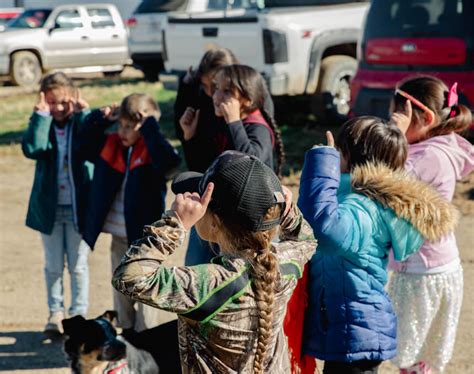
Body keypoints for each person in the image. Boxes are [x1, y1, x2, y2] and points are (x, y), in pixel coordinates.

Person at [112, 150, 316, 373]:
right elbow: (306, 240)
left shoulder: (211, 283)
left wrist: (175, 224)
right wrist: (286, 210)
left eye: (202, 203)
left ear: (215, 222)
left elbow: (129, 277)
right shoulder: (284, 262)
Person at [298, 117, 458, 374]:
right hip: (353, 329)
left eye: (338, 151)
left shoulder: (363, 209)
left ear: (348, 156)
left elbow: (323, 229)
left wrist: (321, 163)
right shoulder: (354, 201)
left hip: (356, 332)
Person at [388, 76, 474, 374]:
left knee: (414, 357)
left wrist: (393, 138)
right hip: (436, 265)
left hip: (421, 272)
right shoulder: (441, 146)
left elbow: (386, 185)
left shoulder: (428, 156)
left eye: (399, 117)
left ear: (424, 117)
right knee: (421, 356)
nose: (393, 123)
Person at [78, 93, 181, 335]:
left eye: (130, 126)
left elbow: (170, 164)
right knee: (120, 287)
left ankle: (147, 335)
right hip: (120, 237)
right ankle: (127, 334)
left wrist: (150, 128)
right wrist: (100, 118)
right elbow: (82, 146)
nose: (122, 132)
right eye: (120, 125)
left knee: (146, 291)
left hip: (147, 239)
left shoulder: (153, 149)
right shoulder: (112, 144)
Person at [180, 63, 285, 265]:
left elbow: (251, 165)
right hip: (217, 216)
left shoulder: (256, 127)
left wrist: (234, 122)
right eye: (217, 88)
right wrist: (190, 137)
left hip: (243, 226)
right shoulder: (224, 124)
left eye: (226, 91)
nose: (217, 96)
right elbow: (204, 169)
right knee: (197, 269)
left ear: (247, 98)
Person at [22, 72, 93, 335]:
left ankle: (78, 314)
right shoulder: (42, 122)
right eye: (52, 102)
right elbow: (33, 148)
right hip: (50, 210)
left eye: (63, 101)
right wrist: (41, 117)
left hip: (77, 209)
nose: (59, 108)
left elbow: (90, 146)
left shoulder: (80, 123)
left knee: (78, 265)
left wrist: (84, 115)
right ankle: (55, 312)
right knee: (53, 266)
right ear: (43, 100)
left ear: (73, 98)